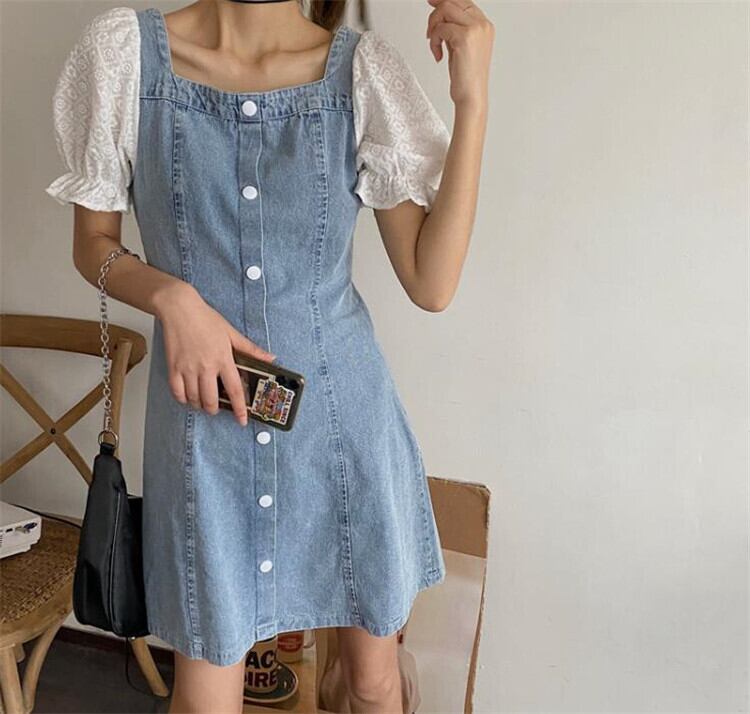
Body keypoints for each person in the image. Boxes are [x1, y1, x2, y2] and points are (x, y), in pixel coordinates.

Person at [45, 0, 493, 710]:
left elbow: (431, 283)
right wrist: (173, 298)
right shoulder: (125, 55)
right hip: (204, 433)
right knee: (206, 695)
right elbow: (91, 244)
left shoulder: (362, 73)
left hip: (342, 429)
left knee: (371, 684)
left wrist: (473, 103)